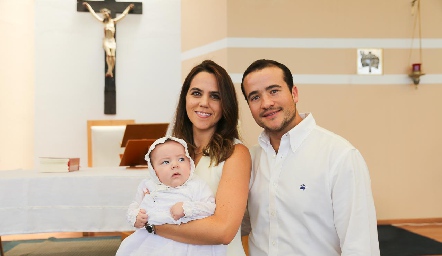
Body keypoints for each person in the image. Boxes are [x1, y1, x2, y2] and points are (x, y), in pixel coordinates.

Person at [240, 59, 380, 255]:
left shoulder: (339, 156)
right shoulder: (250, 159)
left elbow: (360, 244)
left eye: (274, 91)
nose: (266, 103)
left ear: (294, 93)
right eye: (255, 97)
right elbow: (239, 224)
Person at [130, 60, 251, 256]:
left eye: (215, 96)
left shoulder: (235, 153)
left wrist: (153, 225)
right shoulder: (173, 151)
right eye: (196, 93)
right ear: (185, 98)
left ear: (225, 105)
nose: (204, 102)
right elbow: (147, 202)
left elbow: (223, 231)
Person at [117, 136, 226, 256]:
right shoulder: (148, 185)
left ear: (190, 162)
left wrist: (187, 208)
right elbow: (135, 205)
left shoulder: (196, 185)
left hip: (189, 243)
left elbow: (210, 208)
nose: (175, 165)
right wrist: (136, 216)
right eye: (166, 162)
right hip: (152, 242)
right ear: (154, 170)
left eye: (181, 159)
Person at [83, 2, 134, 77]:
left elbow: (123, 15)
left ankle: (110, 71)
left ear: (108, 14)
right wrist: (88, 7)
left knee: (113, 56)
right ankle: (109, 70)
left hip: (112, 41)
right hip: (106, 40)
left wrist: (128, 8)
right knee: (109, 55)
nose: (104, 15)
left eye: (105, 13)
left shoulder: (113, 22)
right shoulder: (104, 22)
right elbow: (94, 14)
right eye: (103, 14)